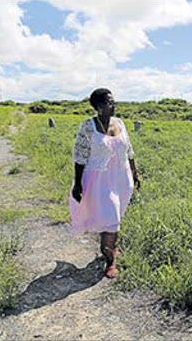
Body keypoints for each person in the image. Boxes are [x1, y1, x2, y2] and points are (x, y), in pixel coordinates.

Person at [69, 88, 140, 278]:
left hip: (121, 178)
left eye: (114, 101)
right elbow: (80, 156)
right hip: (99, 179)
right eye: (109, 102)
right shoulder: (88, 126)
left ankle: (110, 247)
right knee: (111, 219)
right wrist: (78, 184)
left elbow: (129, 150)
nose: (114, 105)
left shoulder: (120, 123)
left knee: (114, 216)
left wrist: (135, 173)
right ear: (99, 107)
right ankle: (110, 262)